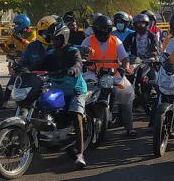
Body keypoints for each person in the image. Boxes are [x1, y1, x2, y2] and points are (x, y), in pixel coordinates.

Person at [43, 22, 90, 166]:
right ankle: (58, 137)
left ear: (64, 38)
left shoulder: (72, 50)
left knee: (76, 116)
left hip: (76, 89)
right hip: (57, 89)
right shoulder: (49, 52)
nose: (54, 42)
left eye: (57, 38)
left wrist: (72, 70)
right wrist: (24, 67)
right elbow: (40, 64)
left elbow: (78, 64)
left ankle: (80, 155)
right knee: (47, 108)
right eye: (52, 39)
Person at [83, 14, 136, 137]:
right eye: (100, 29)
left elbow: (124, 57)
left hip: (113, 73)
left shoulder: (116, 41)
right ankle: (83, 120)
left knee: (127, 93)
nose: (102, 31)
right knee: (82, 91)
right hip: (93, 73)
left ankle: (130, 127)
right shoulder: (88, 40)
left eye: (105, 29)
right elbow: (81, 55)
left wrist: (126, 66)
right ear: (95, 29)